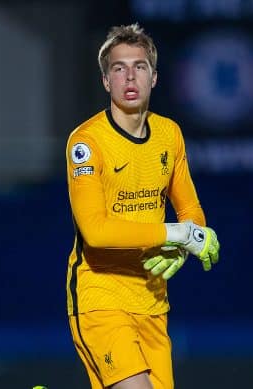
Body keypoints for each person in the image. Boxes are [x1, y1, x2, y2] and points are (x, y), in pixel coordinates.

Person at [65, 23, 220, 389]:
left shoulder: (169, 135)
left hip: (152, 302)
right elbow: (96, 232)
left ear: (154, 78)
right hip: (100, 297)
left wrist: (183, 246)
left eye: (139, 66)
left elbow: (191, 210)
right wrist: (176, 233)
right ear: (106, 81)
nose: (130, 76)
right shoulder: (86, 143)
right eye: (119, 68)